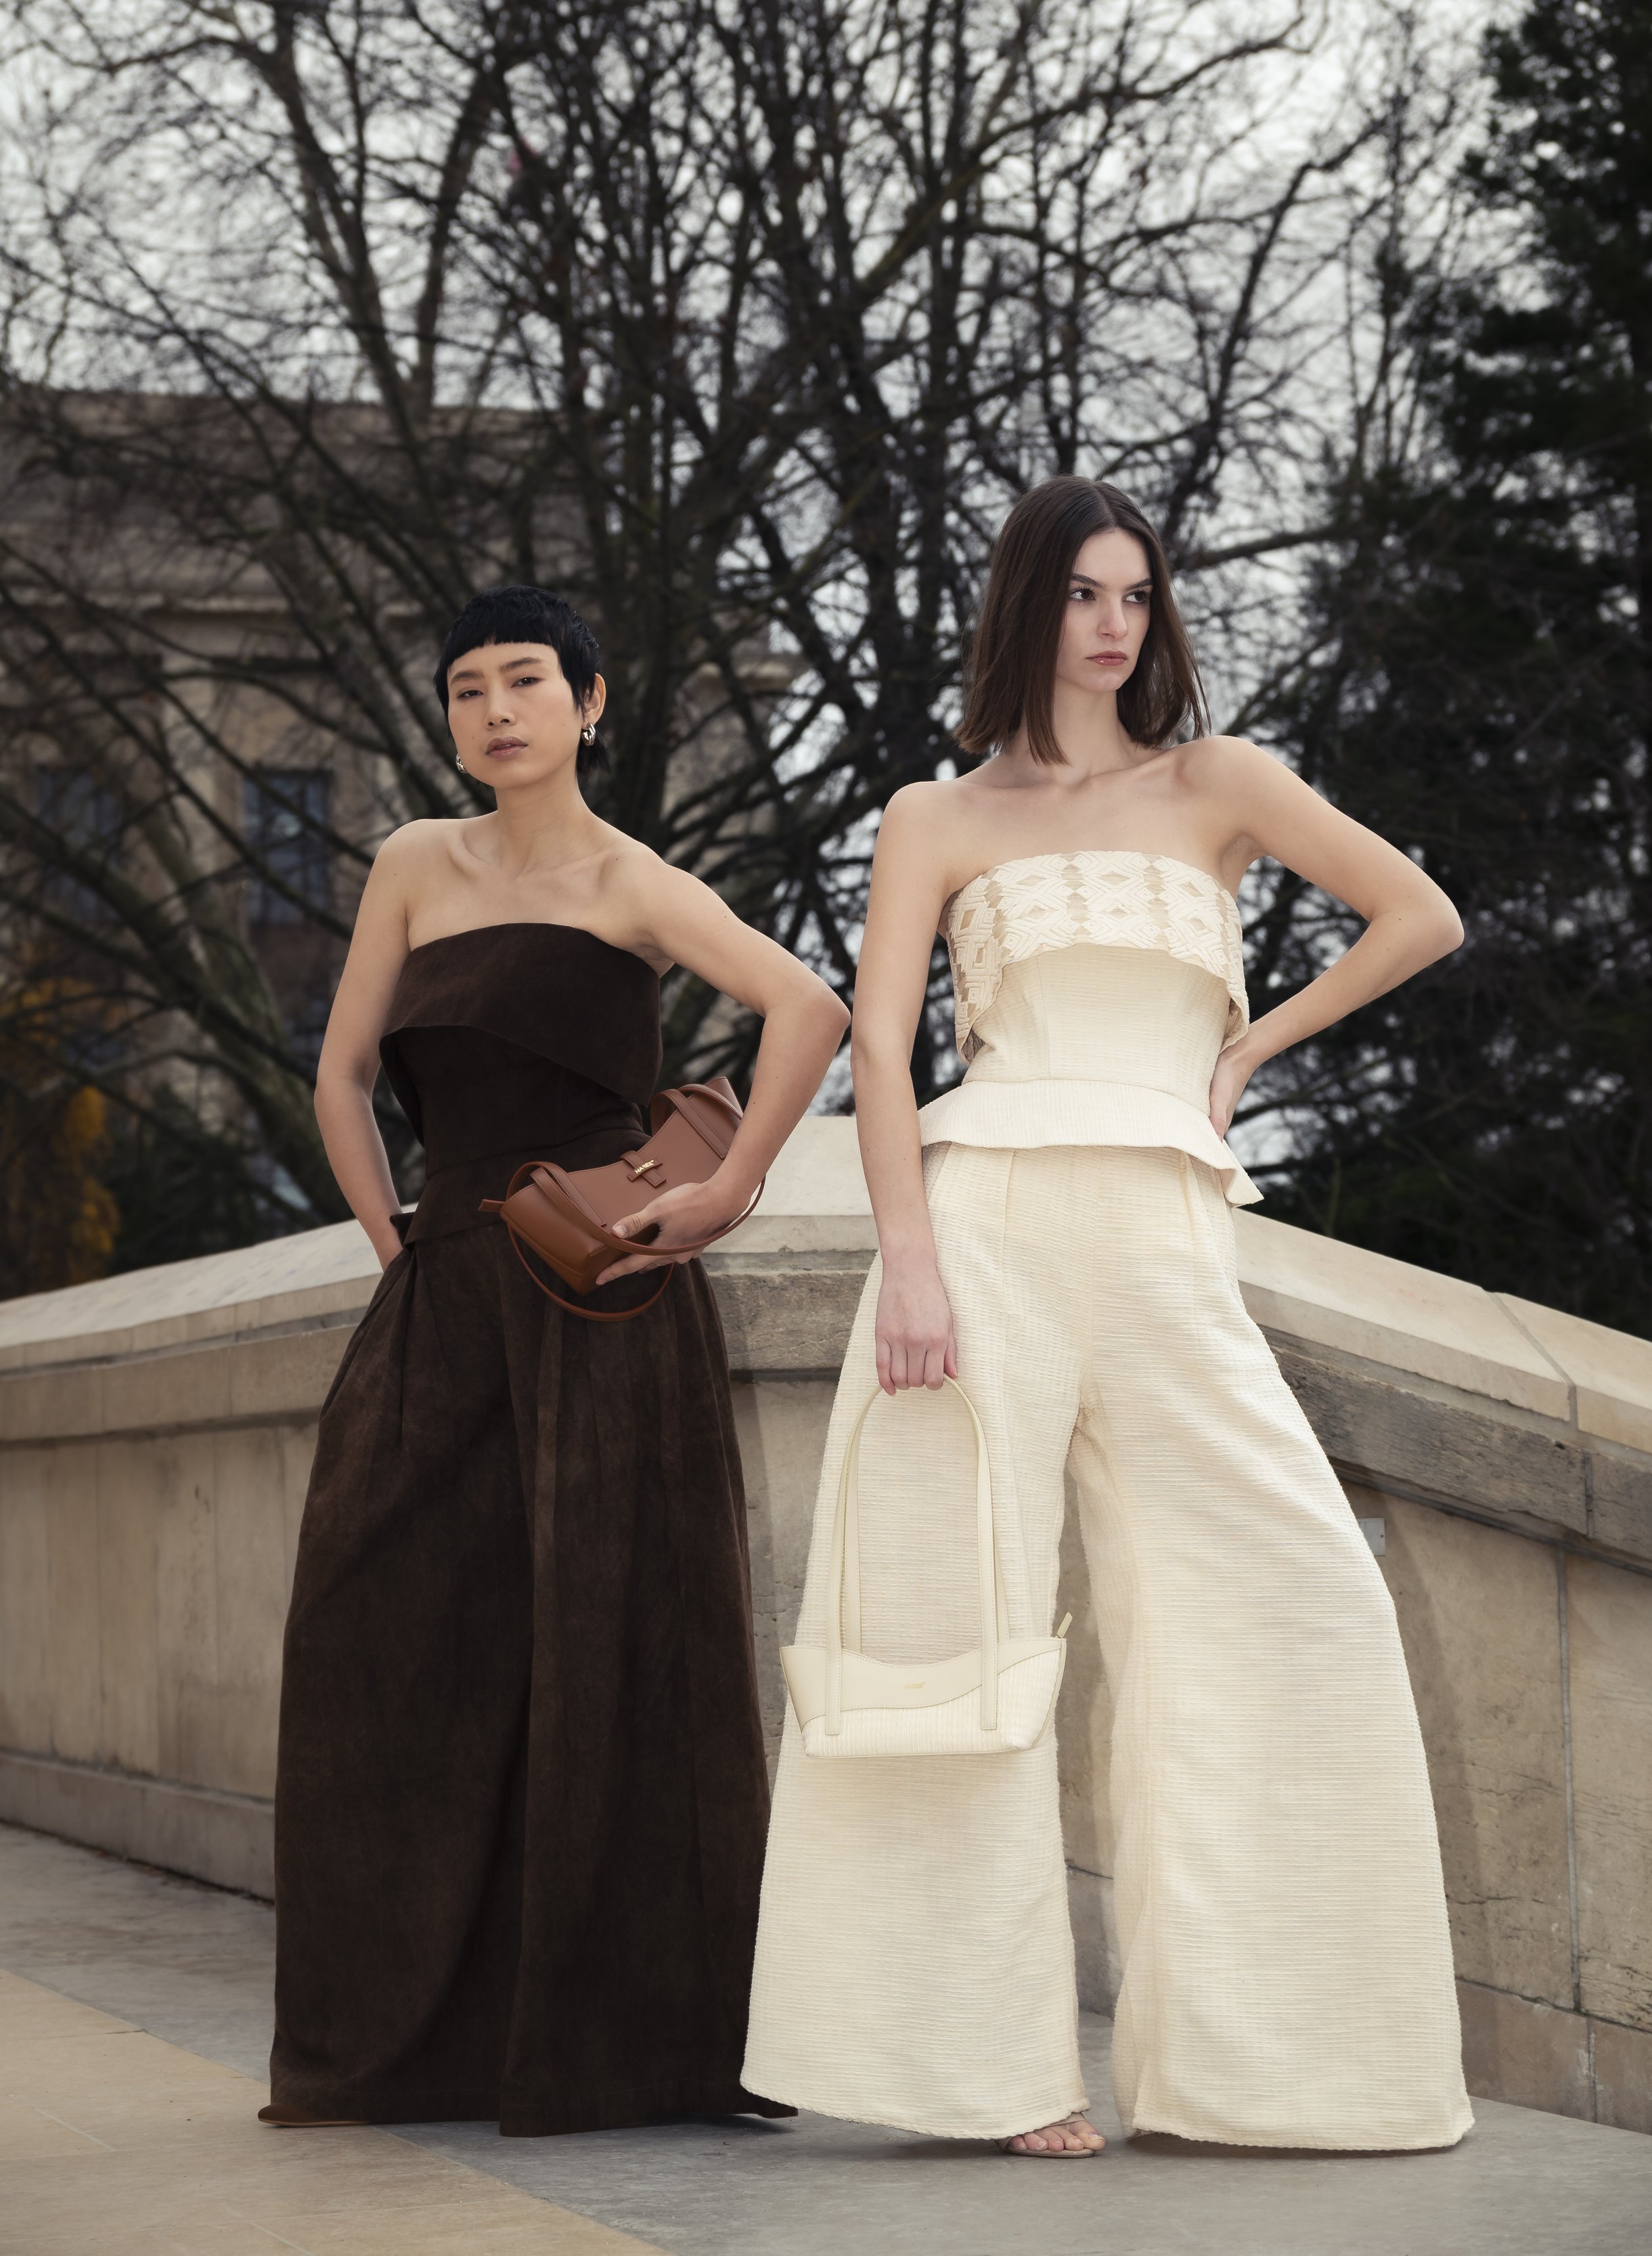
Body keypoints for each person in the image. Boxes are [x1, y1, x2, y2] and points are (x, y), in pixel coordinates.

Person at [742, 478, 1474, 2155]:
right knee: (951, 1633)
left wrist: (1239, 1050)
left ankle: (1264, 2065)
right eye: (1081, 592)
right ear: (1027, 608)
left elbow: (1418, 914)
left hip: (1164, 1236)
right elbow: (875, 1055)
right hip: (982, 1224)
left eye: (1135, 593)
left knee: (1293, 1603)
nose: (1112, 623)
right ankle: (981, 2074)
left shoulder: (1216, 782)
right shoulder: (937, 812)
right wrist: (907, 1261)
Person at [264, 583, 848, 2136]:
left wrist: (724, 1191)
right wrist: (393, 1237)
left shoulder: (632, 879)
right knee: (378, 1639)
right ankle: (409, 2041)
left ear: (591, 703)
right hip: (443, 1287)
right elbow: (338, 1072)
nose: (494, 708)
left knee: (610, 1653)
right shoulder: (410, 862)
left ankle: (623, 2045)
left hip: (602, 1307)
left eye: (526, 679)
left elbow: (810, 1005)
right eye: (466, 688)